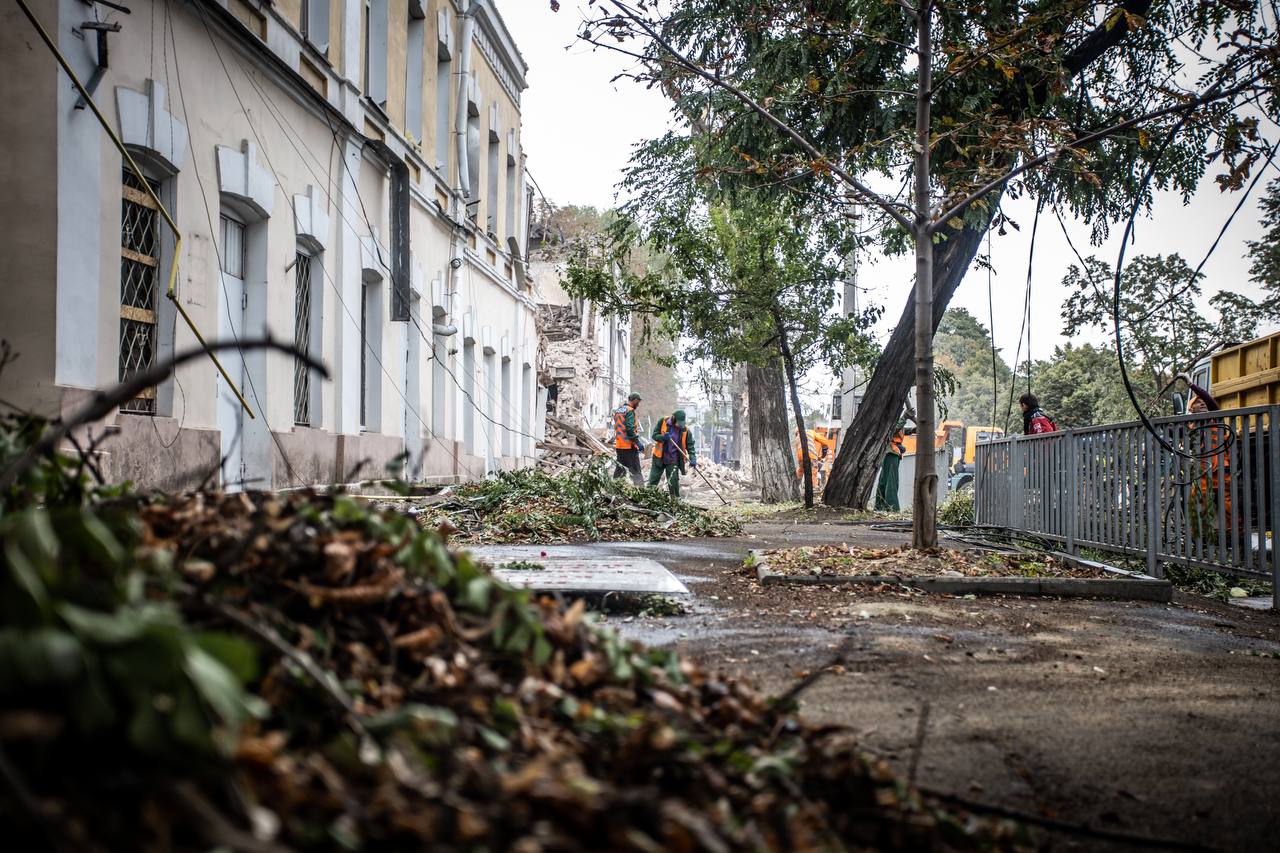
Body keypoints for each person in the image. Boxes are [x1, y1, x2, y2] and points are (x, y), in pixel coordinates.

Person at [648, 409, 697, 498]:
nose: (680, 425)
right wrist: (663, 437)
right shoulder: (663, 421)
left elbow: (690, 445)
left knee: (673, 482)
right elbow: (654, 435)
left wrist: (693, 457)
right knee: (653, 479)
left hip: (673, 459)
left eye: (682, 423)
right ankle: (647, 497)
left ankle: (675, 501)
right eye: (679, 423)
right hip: (659, 457)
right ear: (673, 418)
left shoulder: (685, 430)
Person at [611, 392, 644, 486]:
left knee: (620, 470)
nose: (638, 404)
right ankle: (641, 492)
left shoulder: (618, 410)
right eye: (638, 401)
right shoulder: (630, 411)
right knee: (636, 471)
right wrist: (637, 442)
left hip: (619, 445)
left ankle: (614, 489)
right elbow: (629, 428)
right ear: (634, 400)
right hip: (628, 446)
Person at [875, 422, 907, 511]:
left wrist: (913, 430)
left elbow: (900, 430)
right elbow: (894, 428)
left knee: (884, 480)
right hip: (891, 452)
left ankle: (879, 507)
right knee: (892, 480)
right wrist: (905, 417)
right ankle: (892, 507)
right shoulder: (892, 420)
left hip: (889, 452)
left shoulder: (895, 420)